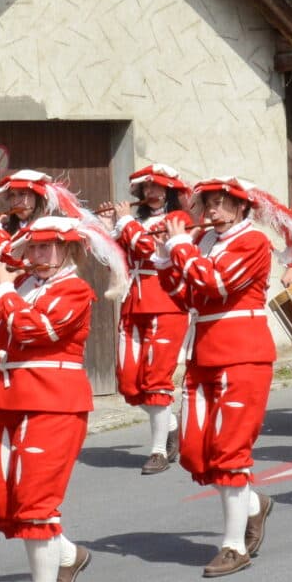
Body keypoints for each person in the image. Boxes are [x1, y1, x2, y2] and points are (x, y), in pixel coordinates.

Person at [0, 214, 120, 582]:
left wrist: (3, 291)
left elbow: (34, 329)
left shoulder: (75, 289)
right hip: (9, 399)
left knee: (36, 504)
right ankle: (69, 555)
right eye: (33, 248)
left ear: (68, 250)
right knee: (2, 503)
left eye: (45, 247)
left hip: (54, 402)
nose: (36, 255)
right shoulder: (22, 288)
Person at [157, 177, 292, 576]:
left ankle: (234, 545)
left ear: (240, 208)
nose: (211, 211)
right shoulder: (203, 243)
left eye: (220, 204)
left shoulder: (252, 242)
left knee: (230, 451)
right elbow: (184, 294)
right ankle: (253, 505)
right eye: (208, 204)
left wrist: (181, 247)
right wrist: (166, 256)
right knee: (194, 452)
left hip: (242, 354)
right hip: (203, 354)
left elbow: (215, 284)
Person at [97, 164, 193, 475]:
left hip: (165, 301)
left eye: (158, 188)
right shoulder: (134, 221)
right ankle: (171, 422)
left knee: (156, 380)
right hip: (133, 301)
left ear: (170, 191)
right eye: (147, 188)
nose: (151, 193)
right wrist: (105, 227)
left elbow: (151, 250)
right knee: (128, 383)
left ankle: (157, 451)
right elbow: (112, 258)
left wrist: (124, 222)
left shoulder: (179, 220)